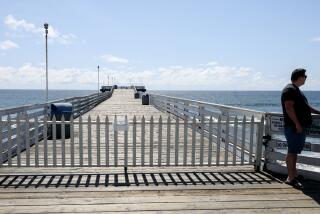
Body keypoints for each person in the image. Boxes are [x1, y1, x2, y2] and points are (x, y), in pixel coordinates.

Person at [281, 68, 320, 189]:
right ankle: (291, 178)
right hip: (294, 127)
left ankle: (294, 175)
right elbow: (289, 108)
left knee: (295, 151)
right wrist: (297, 124)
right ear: (299, 77)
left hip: (298, 126)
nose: (306, 78)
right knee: (292, 152)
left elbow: (306, 107)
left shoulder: (297, 91)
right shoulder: (289, 90)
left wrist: (319, 112)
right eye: (305, 76)